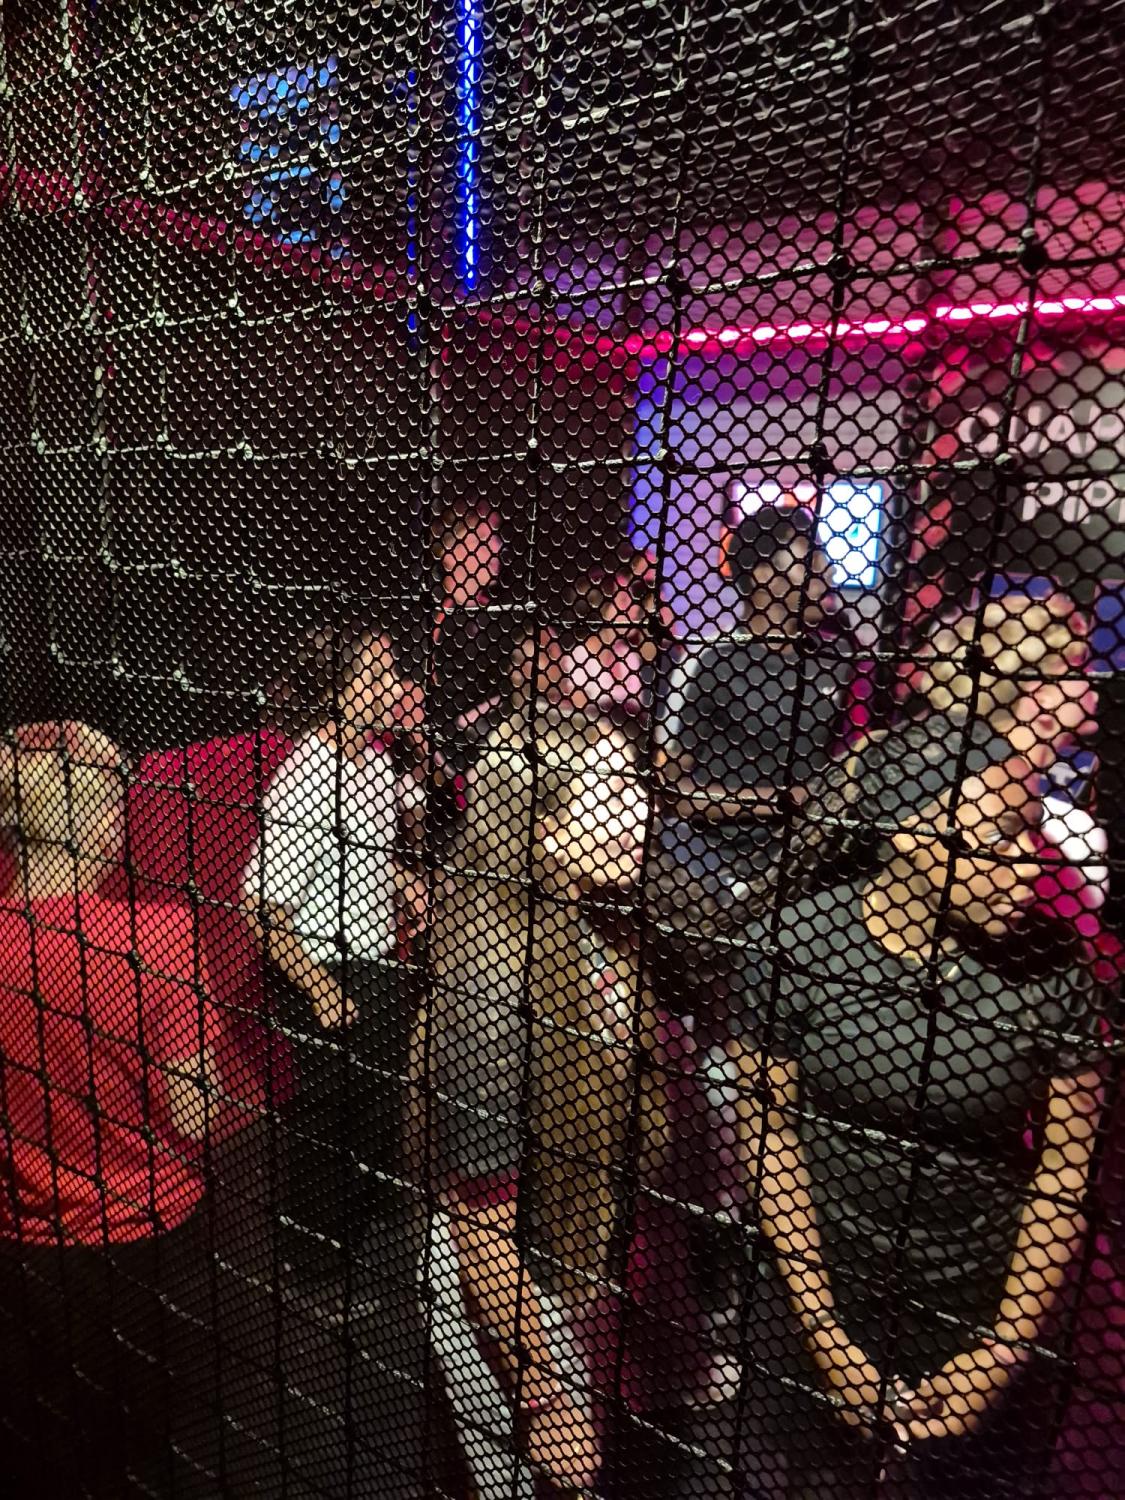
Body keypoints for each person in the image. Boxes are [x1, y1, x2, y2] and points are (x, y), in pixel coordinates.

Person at [723, 756, 1107, 1498]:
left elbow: (1066, 1170)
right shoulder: (792, 946)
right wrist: (826, 1339)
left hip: (972, 1299)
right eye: (1001, 837)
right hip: (817, 1286)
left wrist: (1002, 1350)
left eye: (1032, 833)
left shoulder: (1050, 963)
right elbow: (769, 1141)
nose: (1031, 864)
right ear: (906, 835)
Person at [414, 633, 668, 1496]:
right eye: (618, 792)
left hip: (566, 1270)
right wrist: (545, 1392)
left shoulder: (592, 921)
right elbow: (479, 1228)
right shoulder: (489, 984)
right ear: (545, 830)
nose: (644, 809)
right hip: (510, 1309)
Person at [0, 721, 236, 1496]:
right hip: (144, 1241)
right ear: (104, 824)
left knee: (49, 1446)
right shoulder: (159, 940)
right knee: (145, 1450)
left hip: (25, 1250)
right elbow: (195, 1115)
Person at [241, 627, 426, 1298]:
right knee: (327, 1123)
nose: (391, 687)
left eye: (390, 671)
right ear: (336, 693)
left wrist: (402, 882)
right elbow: (260, 905)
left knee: (375, 1108)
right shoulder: (309, 777)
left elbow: (370, 847)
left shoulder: (371, 761)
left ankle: (362, 1230)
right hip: (324, 968)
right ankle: (314, 1266)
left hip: (373, 962)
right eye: (375, 676)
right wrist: (318, 988)